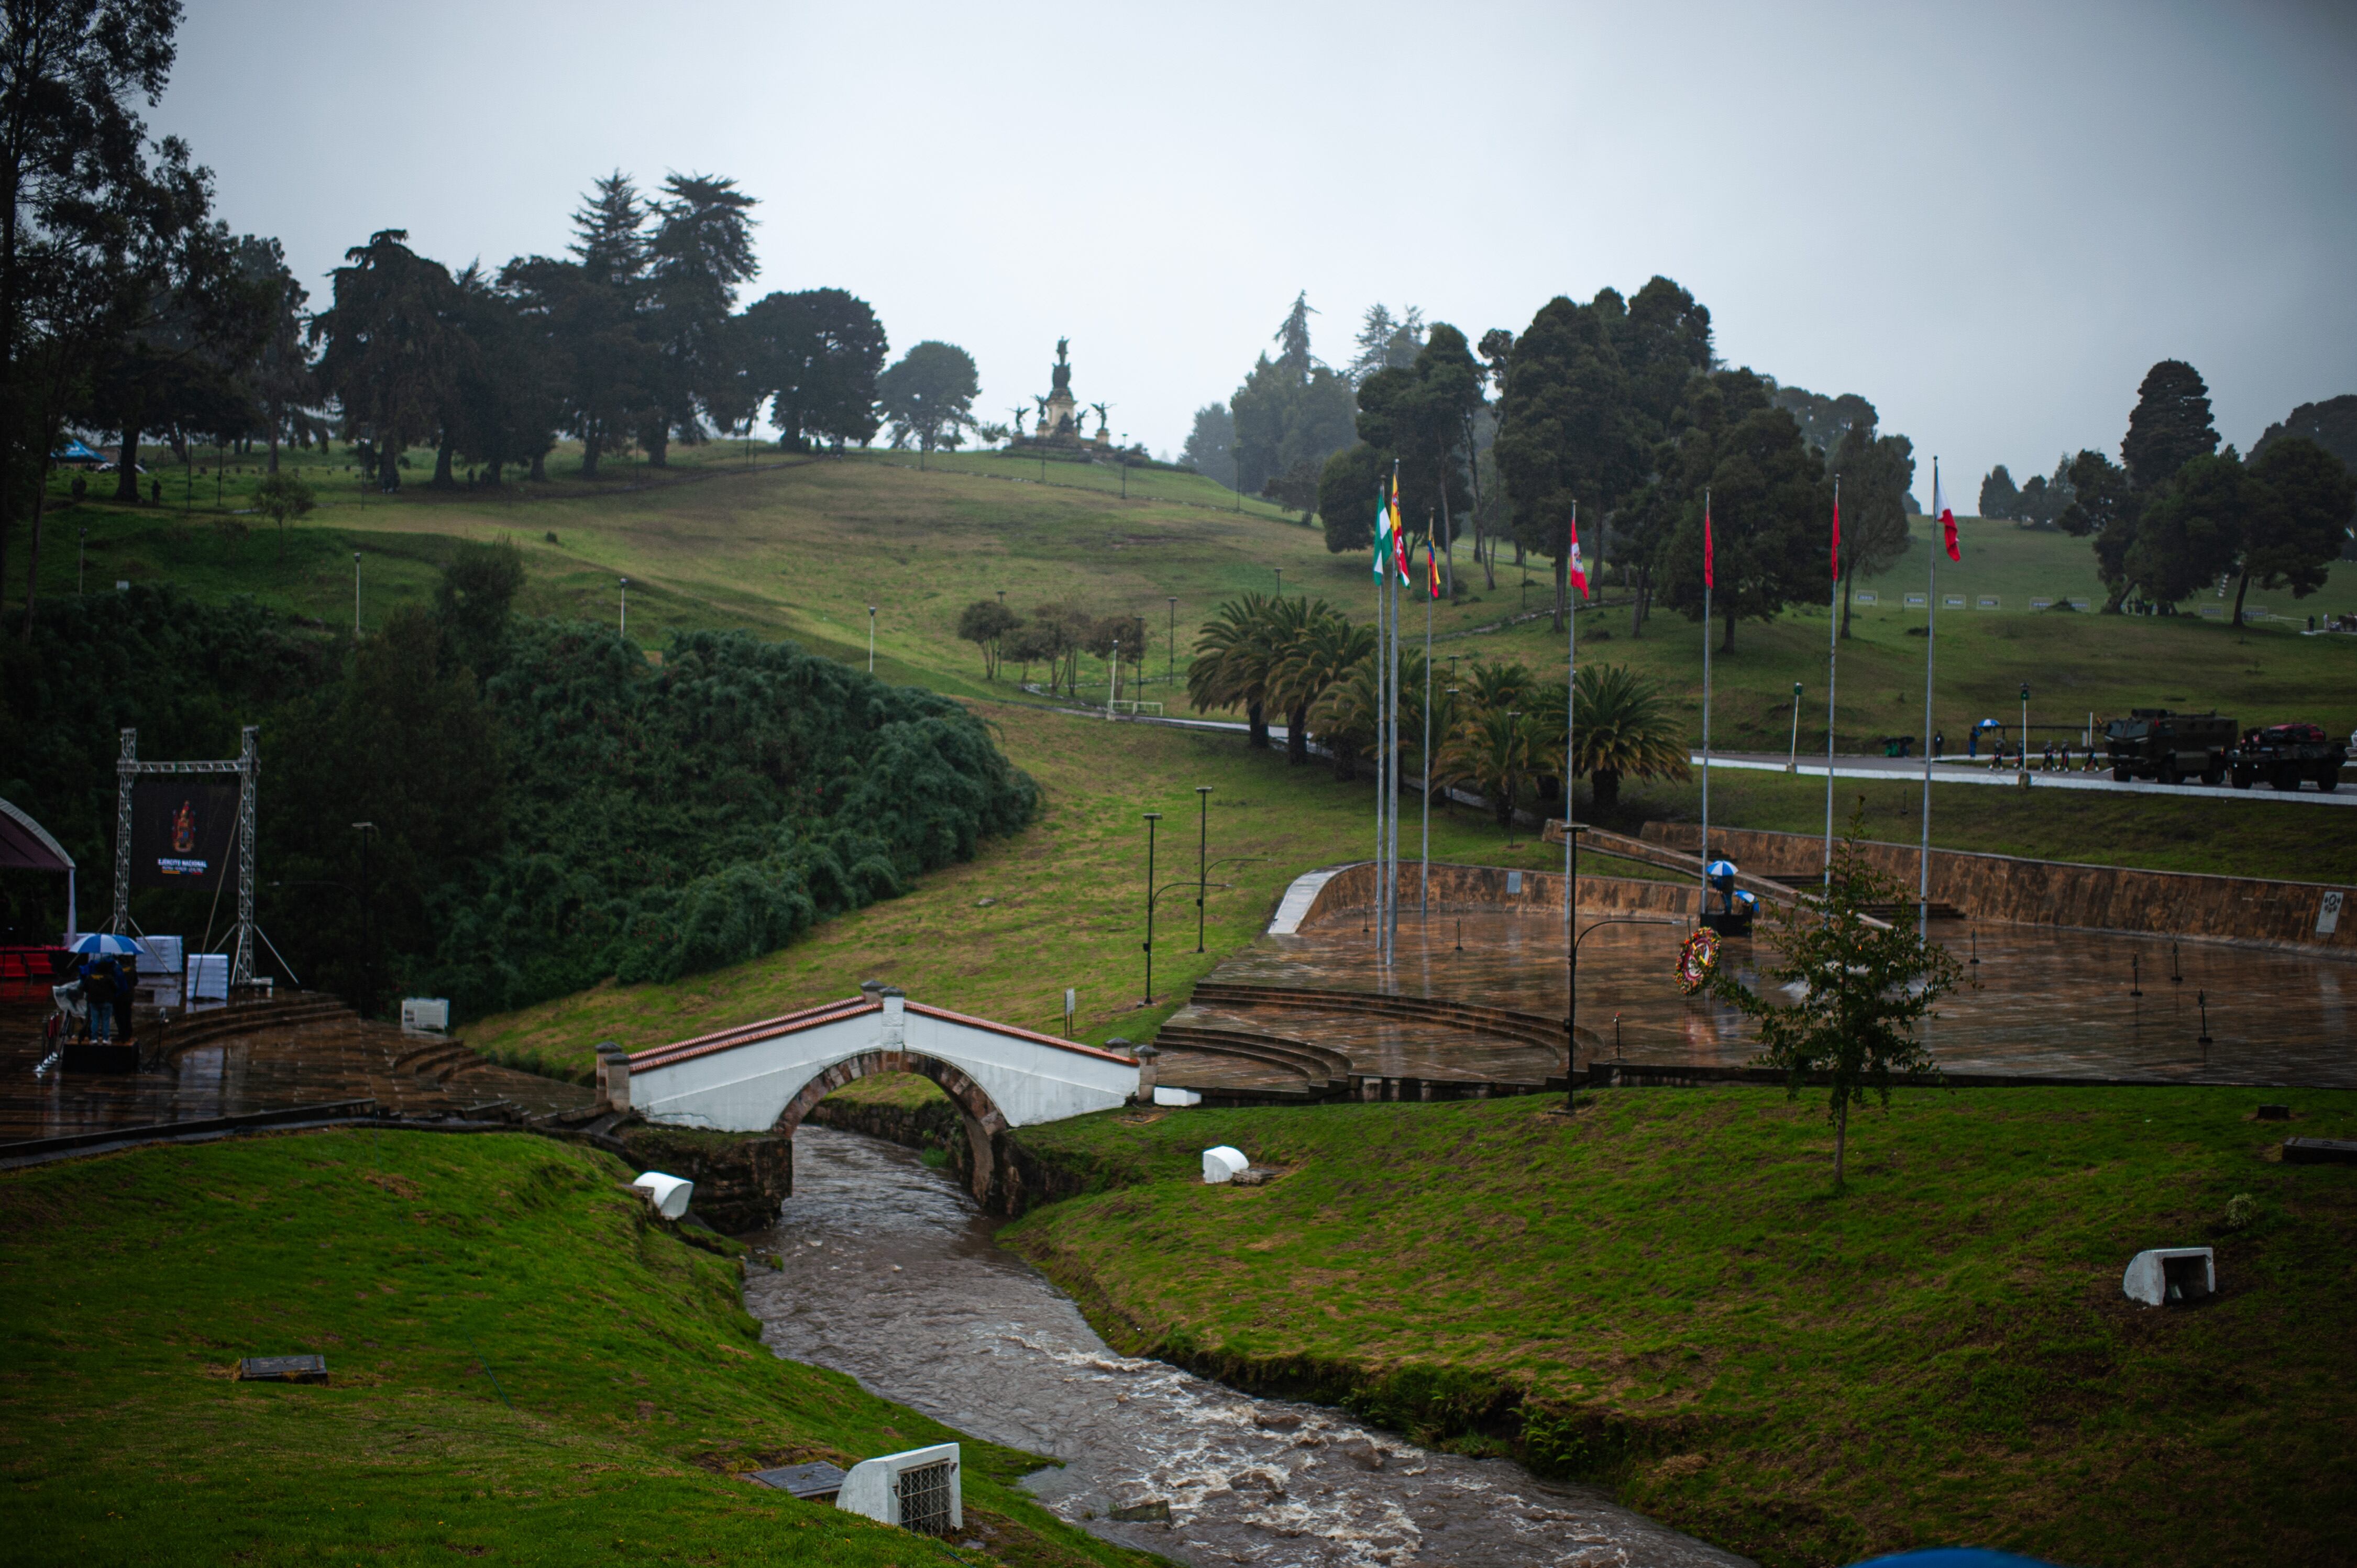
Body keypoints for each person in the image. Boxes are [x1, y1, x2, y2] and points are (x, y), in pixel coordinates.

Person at [85, 959, 115, 1043]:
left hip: (94, 1002)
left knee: (95, 1020)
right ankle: (105, 1039)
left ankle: (94, 1039)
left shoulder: (90, 977)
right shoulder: (109, 977)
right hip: (107, 1002)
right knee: (106, 1021)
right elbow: (115, 988)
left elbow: (85, 988)